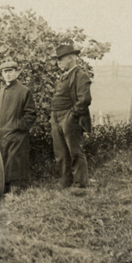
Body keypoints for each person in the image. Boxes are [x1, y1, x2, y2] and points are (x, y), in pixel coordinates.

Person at [0, 60, 37, 194]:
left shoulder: (24, 91)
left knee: (14, 162)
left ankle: (16, 189)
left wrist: (17, 126)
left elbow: (31, 114)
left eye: (11, 71)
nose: (8, 74)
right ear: (2, 74)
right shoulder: (0, 92)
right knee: (0, 162)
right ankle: (2, 189)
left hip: (16, 135)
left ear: (16, 72)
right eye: (5, 72)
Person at [50, 44, 92, 191]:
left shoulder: (81, 76)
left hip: (69, 117)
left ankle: (80, 184)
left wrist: (71, 116)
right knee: (60, 152)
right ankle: (65, 181)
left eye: (60, 59)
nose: (58, 62)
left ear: (70, 58)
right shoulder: (63, 76)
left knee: (75, 151)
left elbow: (84, 99)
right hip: (56, 117)